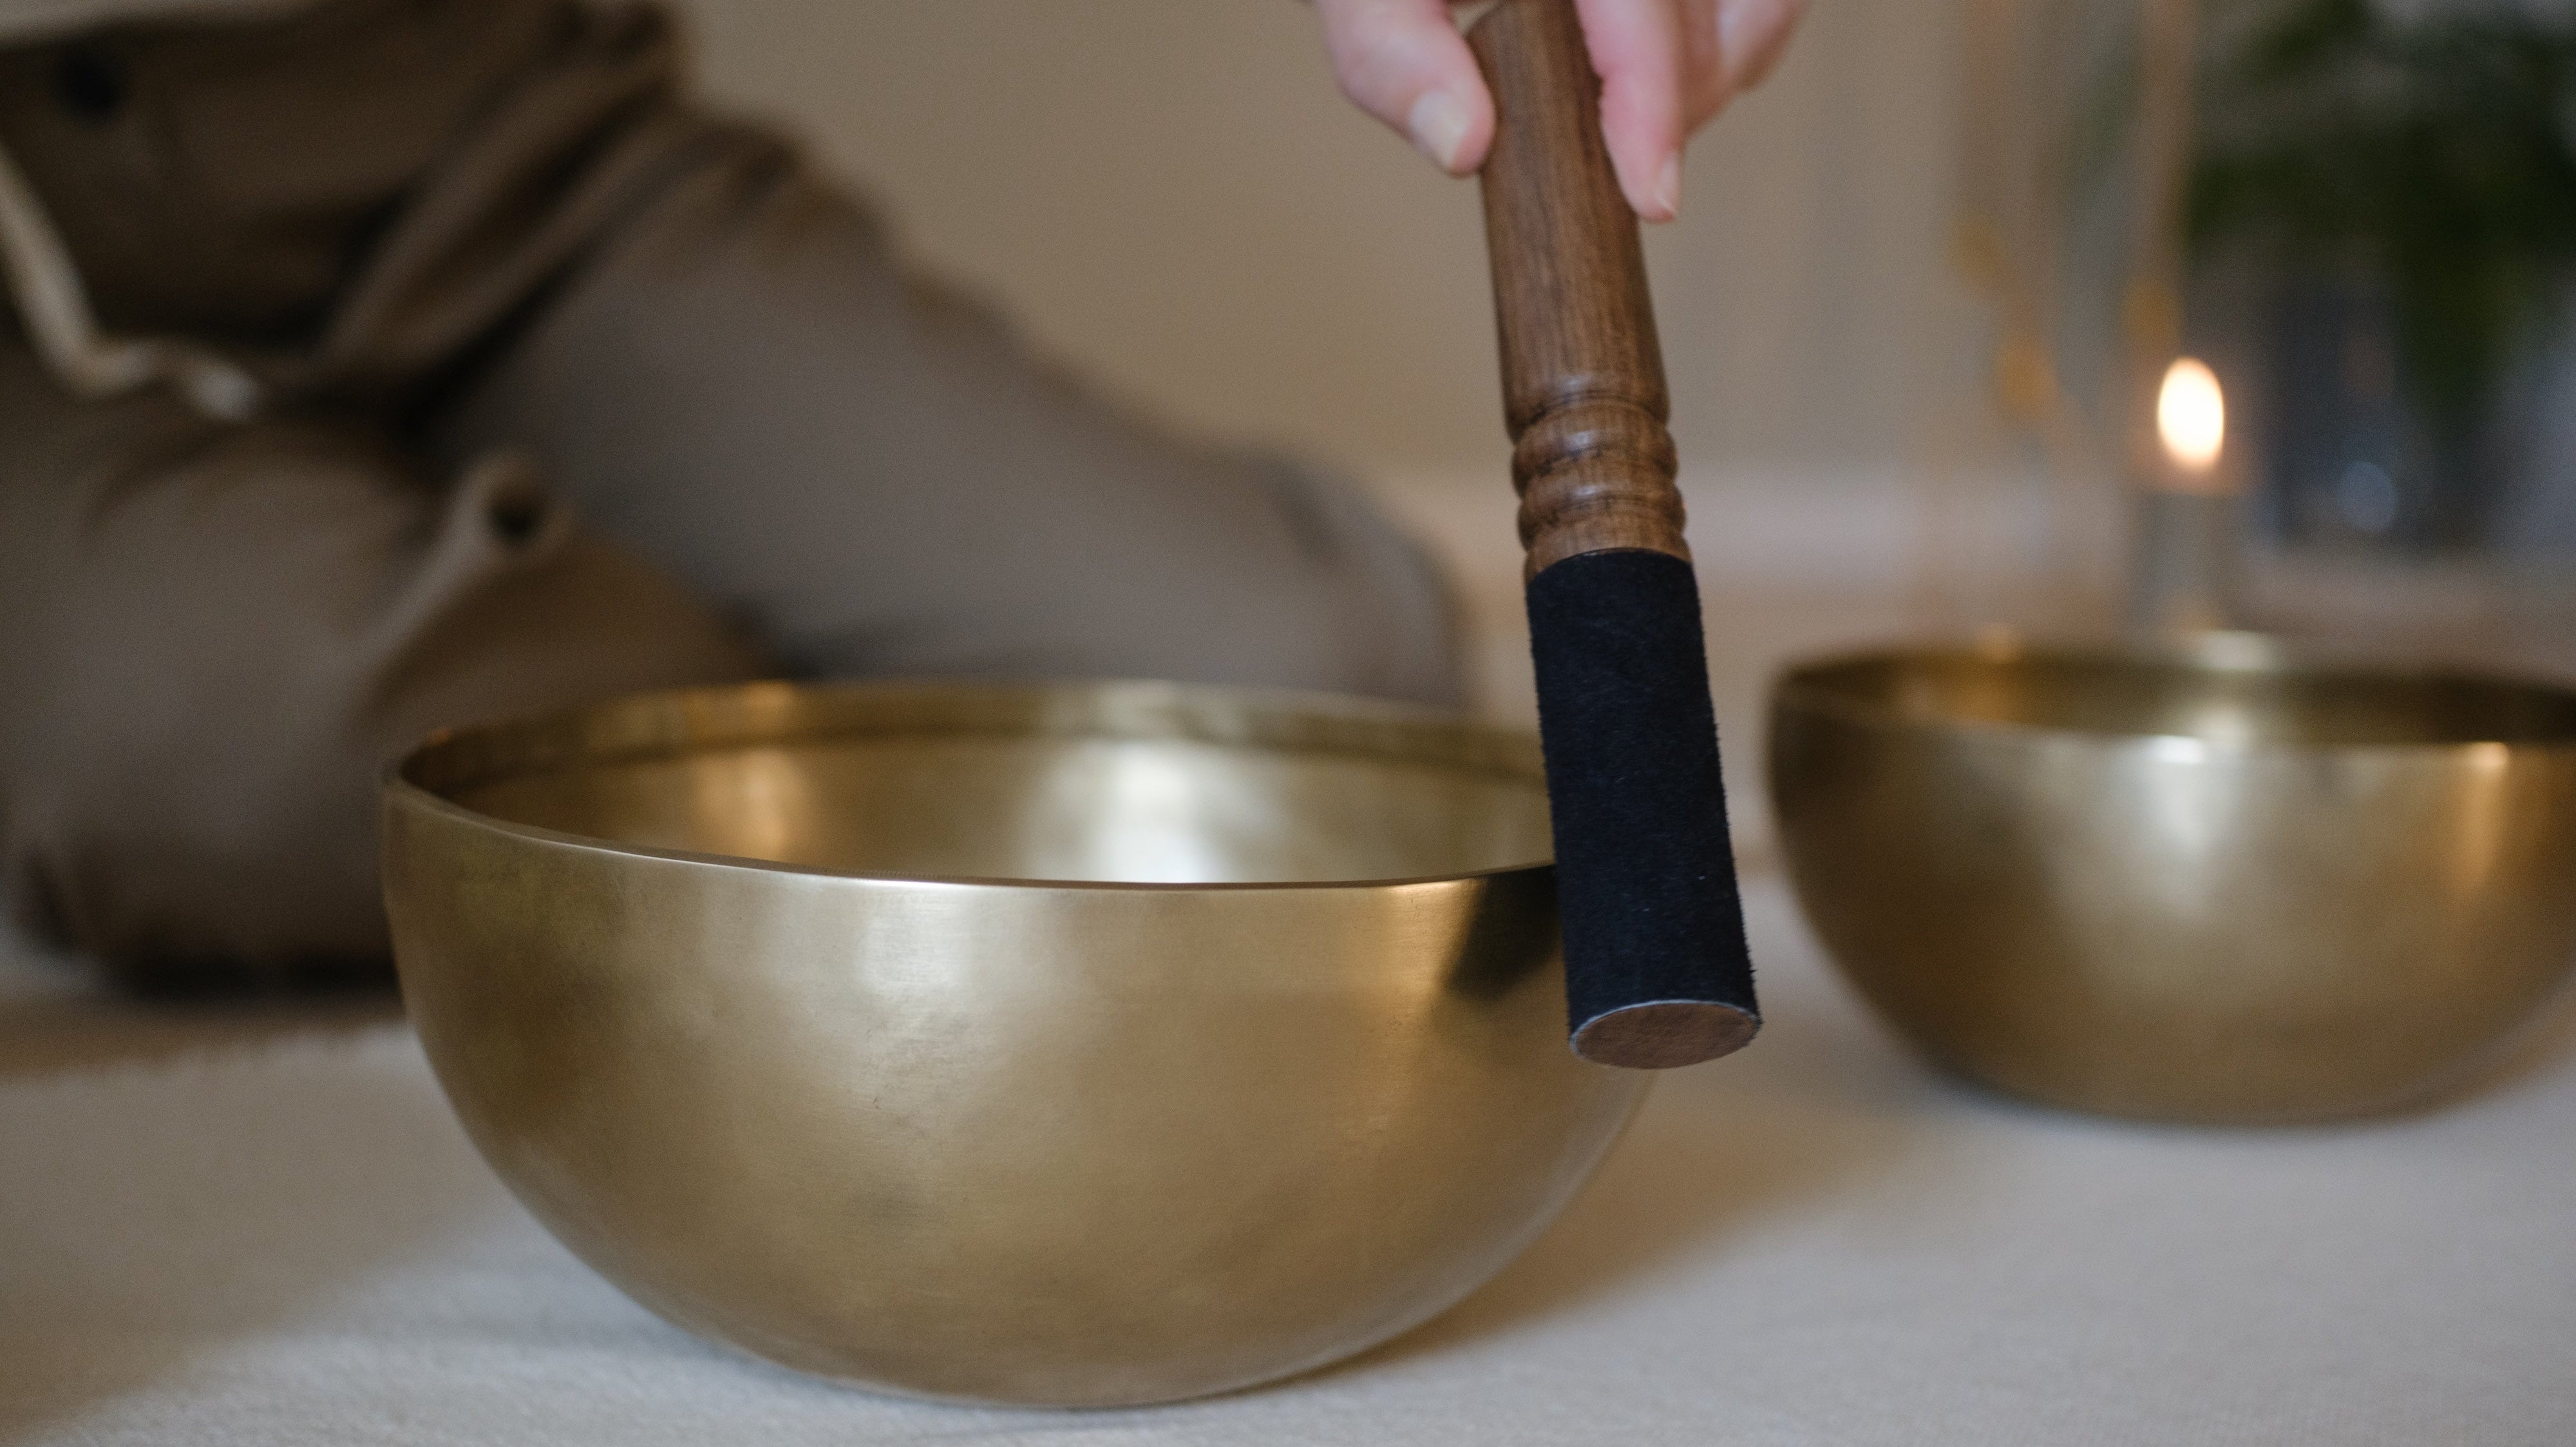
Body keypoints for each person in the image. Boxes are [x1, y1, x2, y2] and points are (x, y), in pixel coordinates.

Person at [0, 0, 1801, 987]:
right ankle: (334, 565)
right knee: (201, 746)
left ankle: (408, 562)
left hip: (467, 118)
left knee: (1319, 675)